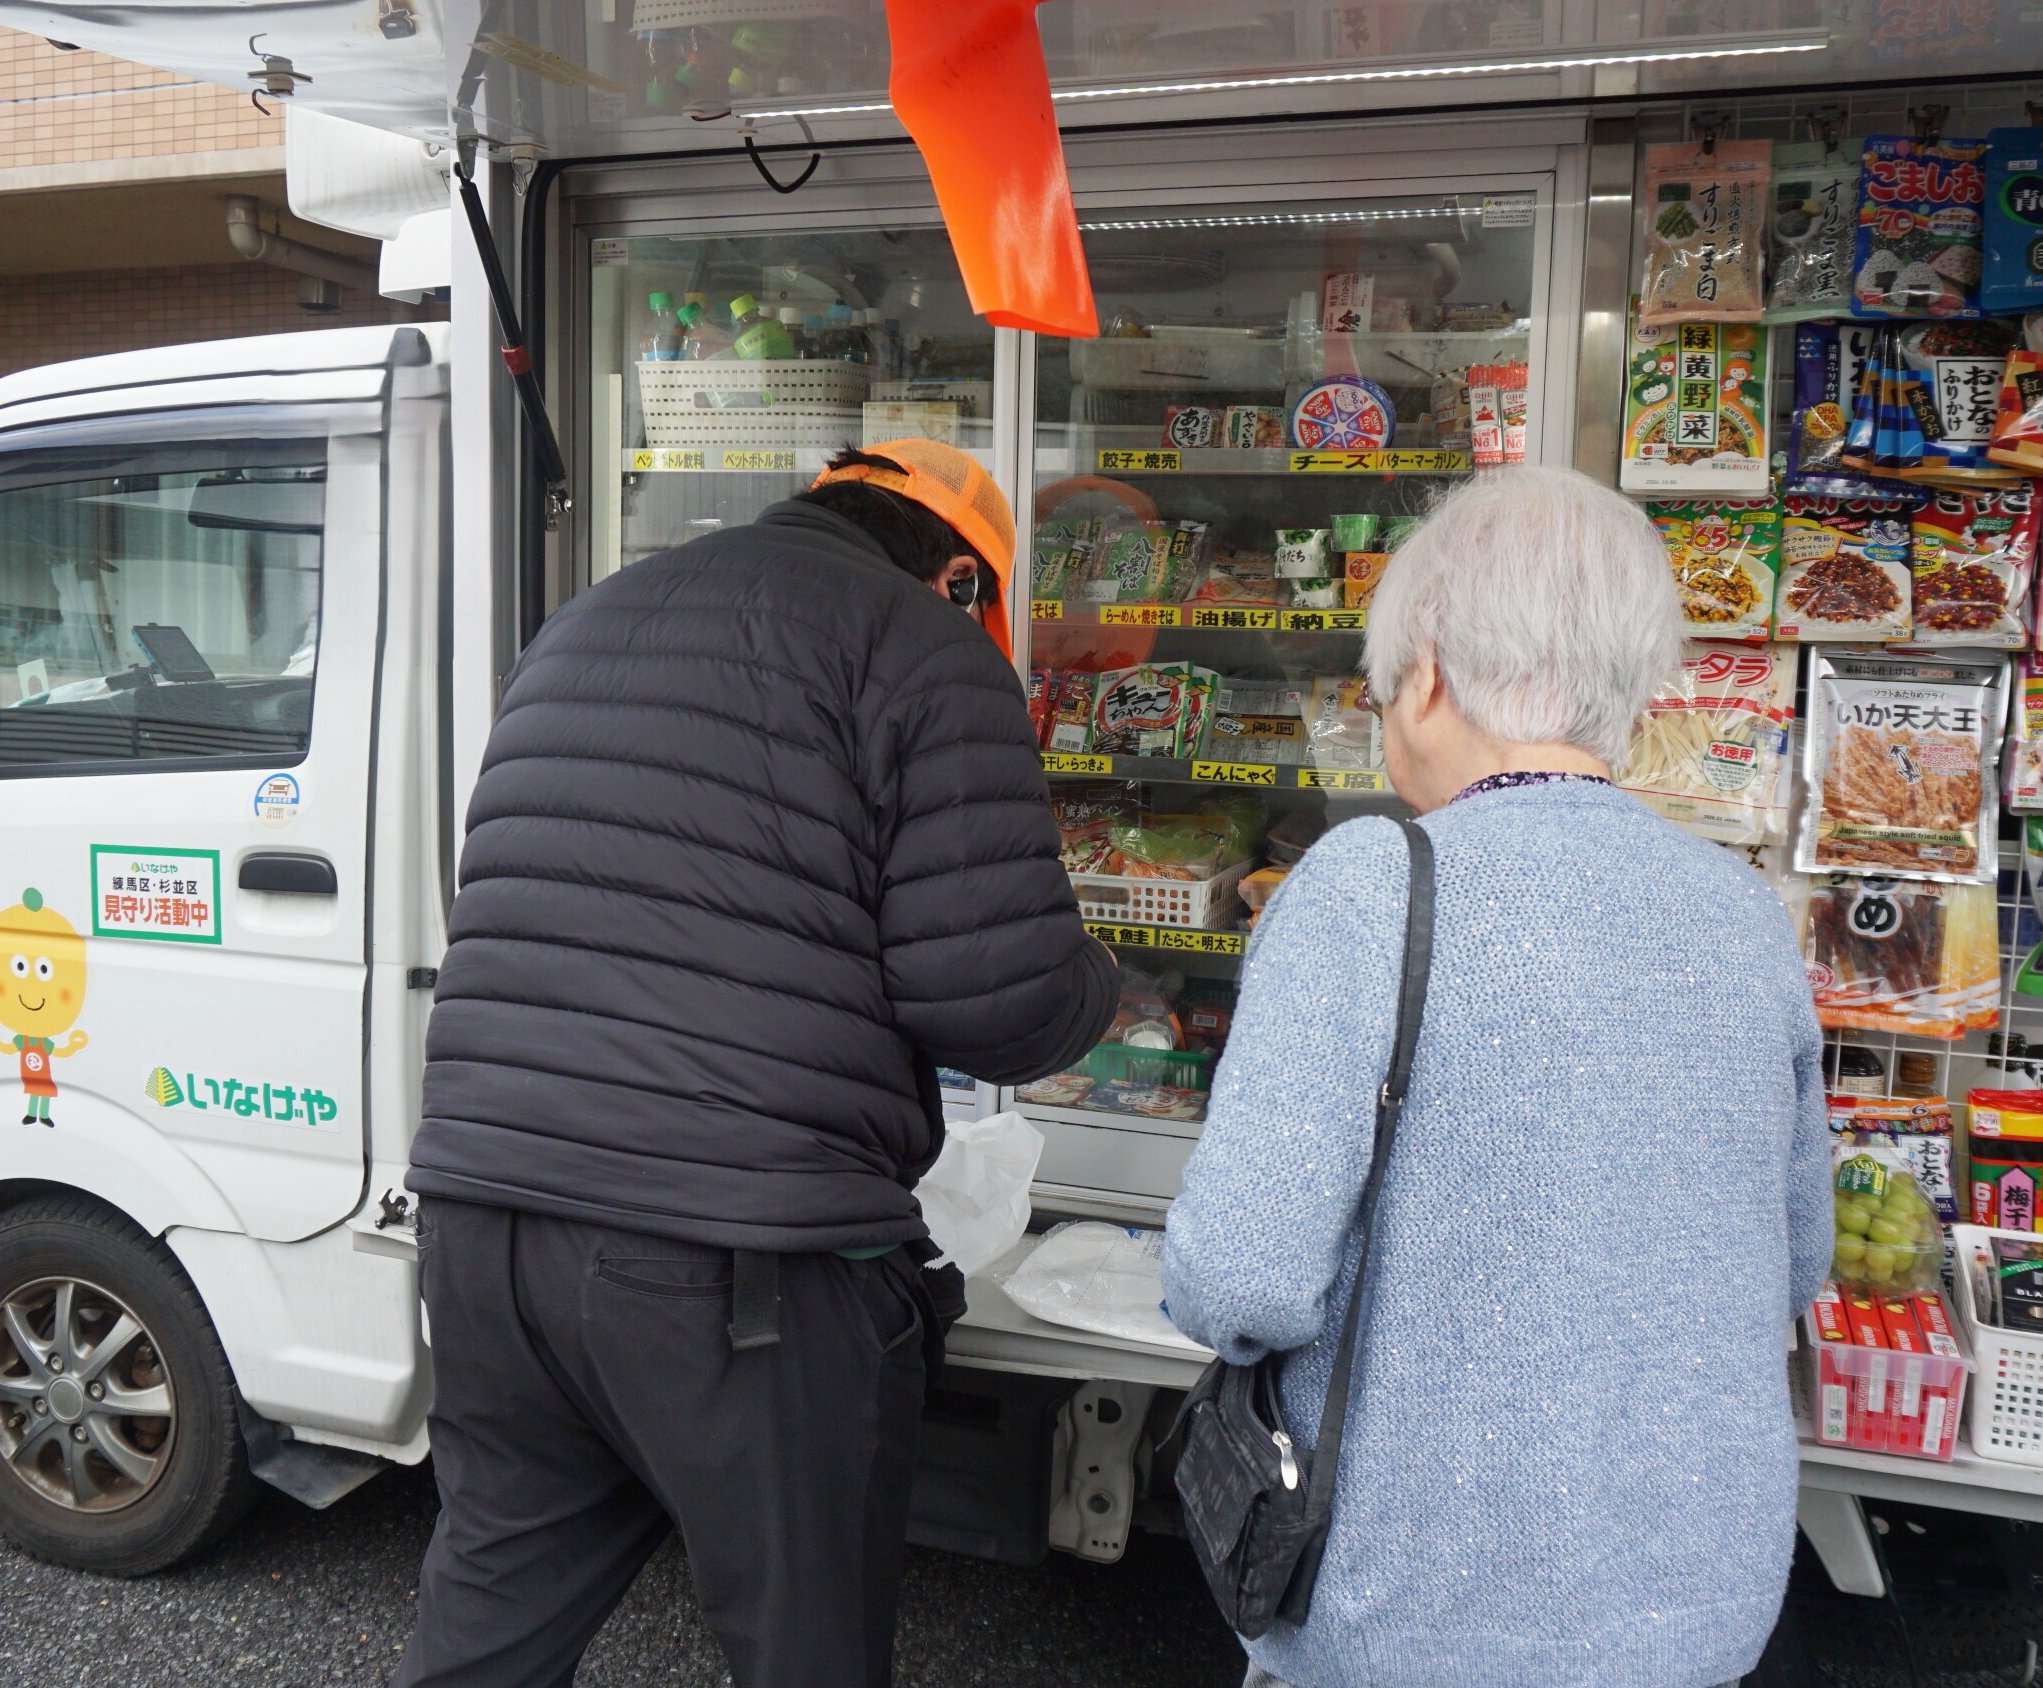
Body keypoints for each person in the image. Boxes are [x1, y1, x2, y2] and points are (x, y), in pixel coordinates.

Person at [398, 439, 1118, 1688]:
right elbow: (996, 1004)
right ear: (958, 577)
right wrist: (1108, 979)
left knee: (488, 1626)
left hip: (484, 1223)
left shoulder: (581, 624)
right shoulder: (920, 646)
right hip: (733, 1268)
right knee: (804, 1652)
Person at [1162, 465, 1832, 1688]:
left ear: (1424, 666)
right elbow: (1793, 1260)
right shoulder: (1741, 911)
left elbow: (1240, 1277)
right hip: (1695, 1609)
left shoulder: (1368, 885)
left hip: (1413, 1616)